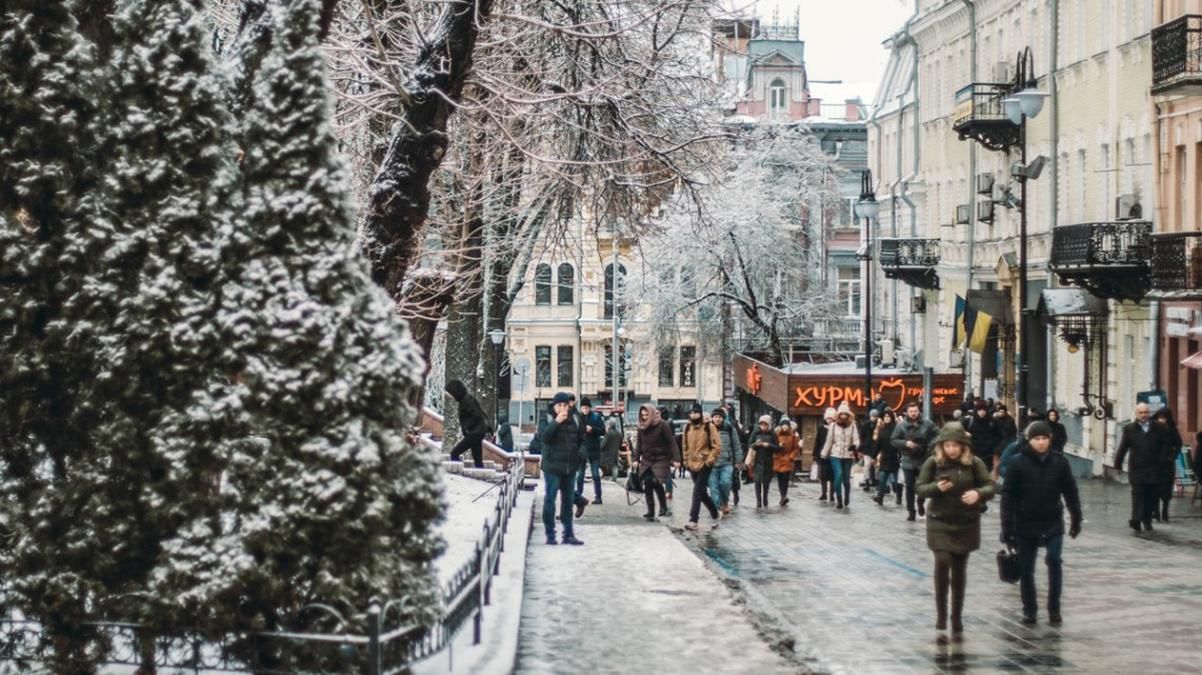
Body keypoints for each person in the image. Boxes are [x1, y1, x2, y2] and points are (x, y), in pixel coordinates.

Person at [1000, 421, 1083, 626]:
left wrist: (1076, 517)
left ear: (1050, 440)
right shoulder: (1017, 462)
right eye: (1037, 439)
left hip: (1052, 520)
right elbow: (1008, 496)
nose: (1041, 442)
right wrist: (1007, 527)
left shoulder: (1059, 462)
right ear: (1030, 440)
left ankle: (1054, 609)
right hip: (1025, 522)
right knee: (1027, 569)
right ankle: (1030, 609)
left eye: (1045, 438)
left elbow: (1070, 491)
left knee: (1054, 561)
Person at [916, 422, 996, 633]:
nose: (951, 450)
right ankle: (941, 614)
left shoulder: (974, 463)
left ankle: (956, 615)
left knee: (959, 569)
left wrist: (978, 494)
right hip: (939, 520)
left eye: (955, 445)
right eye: (947, 445)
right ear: (941, 446)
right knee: (942, 562)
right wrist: (936, 488)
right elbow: (920, 488)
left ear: (963, 446)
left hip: (966, 522)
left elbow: (990, 485)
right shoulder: (933, 463)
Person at [538, 392, 587, 545]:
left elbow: (582, 439)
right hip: (552, 466)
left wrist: (580, 455)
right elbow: (544, 438)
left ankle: (568, 534)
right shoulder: (547, 418)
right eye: (560, 405)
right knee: (550, 500)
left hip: (570, 466)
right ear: (554, 406)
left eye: (565, 405)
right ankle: (550, 535)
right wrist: (556, 422)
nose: (563, 408)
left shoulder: (576, 418)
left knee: (568, 501)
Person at [1113, 402, 1158, 531]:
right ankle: (1136, 520)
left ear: (1149, 413)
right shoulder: (1130, 428)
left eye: (1146, 412)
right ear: (1136, 414)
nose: (1143, 415)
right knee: (1137, 494)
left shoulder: (1157, 428)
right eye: (1141, 413)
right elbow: (1123, 447)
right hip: (1137, 468)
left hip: (1153, 468)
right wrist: (1118, 464)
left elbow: (1163, 446)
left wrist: (1164, 460)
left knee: (1150, 496)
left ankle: (1147, 520)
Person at [891, 401, 938, 521]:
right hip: (908, 460)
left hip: (923, 459)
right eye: (911, 411)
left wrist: (930, 445)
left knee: (923, 484)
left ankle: (920, 501)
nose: (913, 413)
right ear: (907, 412)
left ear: (919, 411)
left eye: (915, 411)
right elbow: (893, 440)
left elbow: (939, 434)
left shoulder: (927, 423)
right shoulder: (901, 425)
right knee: (910, 487)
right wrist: (905, 443)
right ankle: (911, 511)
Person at [680, 403, 723, 531]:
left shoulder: (709, 427)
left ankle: (693, 519)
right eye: (691, 413)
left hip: (704, 464)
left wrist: (709, 461)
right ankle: (715, 513)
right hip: (692, 464)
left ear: (700, 413)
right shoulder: (687, 427)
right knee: (702, 493)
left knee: (697, 491)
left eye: (696, 412)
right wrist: (686, 461)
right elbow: (684, 446)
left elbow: (717, 446)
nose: (693, 415)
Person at [633, 404, 679, 521]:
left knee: (656, 481)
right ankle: (650, 510)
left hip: (661, 458)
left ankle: (663, 507)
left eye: (646, 415)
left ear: (652, 413)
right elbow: (639, 444)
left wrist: (676, 459)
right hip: (647, 459)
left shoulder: (663, 425)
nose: (644, 417)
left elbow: (671, 442)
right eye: (642, 415)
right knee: (647, 483)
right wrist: (636, 459)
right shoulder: (642, 426)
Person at [821, 402, 860, 510]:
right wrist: (823, 454)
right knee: (838, 475)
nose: (843, 416)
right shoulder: (833, 426)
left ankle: (847, 495)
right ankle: (839, 499)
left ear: (848, 415)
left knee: (846, 479)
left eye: (845, 414)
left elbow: (857, 440)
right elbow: (829, 441)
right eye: (841, 414)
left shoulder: (852, 426)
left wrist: (855, 445)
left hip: (848, 456)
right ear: (838, 415)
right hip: (835, 455)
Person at [445, 379, 491, 468]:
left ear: (455, 391)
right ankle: (480, 475)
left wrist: (466, 426)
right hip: (477, 432)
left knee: (454, 453)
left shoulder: (467, 400)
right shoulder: (465, 400)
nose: (450, 397)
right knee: (477, 459)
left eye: (450, 394)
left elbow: (477, 415)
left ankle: (458, 474)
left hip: (475, 433)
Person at [709, 407, 743, 514]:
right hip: (711, 463)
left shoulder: (729, 428)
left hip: (726, 463)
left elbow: (736, 445)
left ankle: (725, 502)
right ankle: (717, 508)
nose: (717, 419)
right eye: (715, 417)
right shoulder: (708, 429)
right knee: (713, 487)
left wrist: (738, 461)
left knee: (726, 483)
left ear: (723, 418)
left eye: (719, 417)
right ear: (712, 418)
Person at [1151, 407, 1183, 523]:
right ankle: (1155, 512)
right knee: (1154, 488)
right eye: (1160, 418)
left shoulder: (1172, 430)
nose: (1162, 420)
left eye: (1164, 418)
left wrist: (1172, 456)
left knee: (1166, 489)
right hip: (1154, 464)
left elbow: (1179, 445)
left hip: (1167, 465)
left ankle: (1165, 511)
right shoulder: (1152, 429)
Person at [575, 398, 606, 505]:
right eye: (583, 408)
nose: (585, 410)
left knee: (595, 474)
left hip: (594, 449)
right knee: (580, 475)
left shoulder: (596, 417)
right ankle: (578, 496)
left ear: (590, 408)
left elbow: (603, 430)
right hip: (582, 450)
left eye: (587, 408)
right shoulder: (578, 417)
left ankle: (598, 496)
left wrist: (592, 429)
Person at [745, 415, 779, 509]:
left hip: (768, 461)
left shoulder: (773, 434)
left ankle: (765, 499)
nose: (763, 426)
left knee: (766, 482)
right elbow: (749, 444)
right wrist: (756, 444)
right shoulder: (755, 433)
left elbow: (777, 448)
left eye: (765, 425)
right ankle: (758, 501)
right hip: (757, 460)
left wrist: (769, 445)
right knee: (757, 481)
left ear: (769, 425)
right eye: (761, 424)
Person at [873, 410, 901, 506]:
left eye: (888, 416)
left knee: (898, 480)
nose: (886, 418)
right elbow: (878, 445)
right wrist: (874, 455)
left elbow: (900, 443)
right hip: (885, 457)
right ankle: (880, 497)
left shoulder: (896, 429)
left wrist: (901, 454)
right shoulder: (882, 429)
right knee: (883, 478)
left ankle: (899, 497)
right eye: (885, 417)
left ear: (892, 418)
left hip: (894, 457)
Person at [963, 401, 999, 473]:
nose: (982, 412)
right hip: (973, 452)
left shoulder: (992, 422)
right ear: (976, 411)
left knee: (986, 473)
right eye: (979, 410)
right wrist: (966, 434)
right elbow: (960, 432)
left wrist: (991, 444)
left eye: (984, 410)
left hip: (987, 454)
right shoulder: (969, 421)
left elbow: (998, 436)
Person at [774, 416, 801, 506]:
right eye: (783, 425)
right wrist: (778, 446)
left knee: (785, 478)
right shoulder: (776, 434)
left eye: (786, 425)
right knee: (780, 479)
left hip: (787, 459)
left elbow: (796, 448)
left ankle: (784, 495)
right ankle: (782, 496)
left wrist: (791, 457)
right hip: (778, 459)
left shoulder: (793, 435)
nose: (785, 427)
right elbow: (773, 446)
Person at [814, 407, 836, 500]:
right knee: (823, 476)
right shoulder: (821, 428)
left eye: (831, 418)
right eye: (828, 418)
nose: (829, 420)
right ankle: (824, 493)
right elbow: (817, 441)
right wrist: (815, 454)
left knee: (833, 476)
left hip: (834, 454)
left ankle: (831, 494)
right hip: (823, 455)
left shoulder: (836, 428)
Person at [859, 409, 880, 491]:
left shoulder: (879, 425)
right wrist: (862, 447)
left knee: (876, 465)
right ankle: (867, 481)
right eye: (872, 416)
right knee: (867, 465)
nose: (873, 418)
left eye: (875, 416)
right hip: (867, 448)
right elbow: (862, 437)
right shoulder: (865, 425)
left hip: (876, 447)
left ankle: (875, 480)